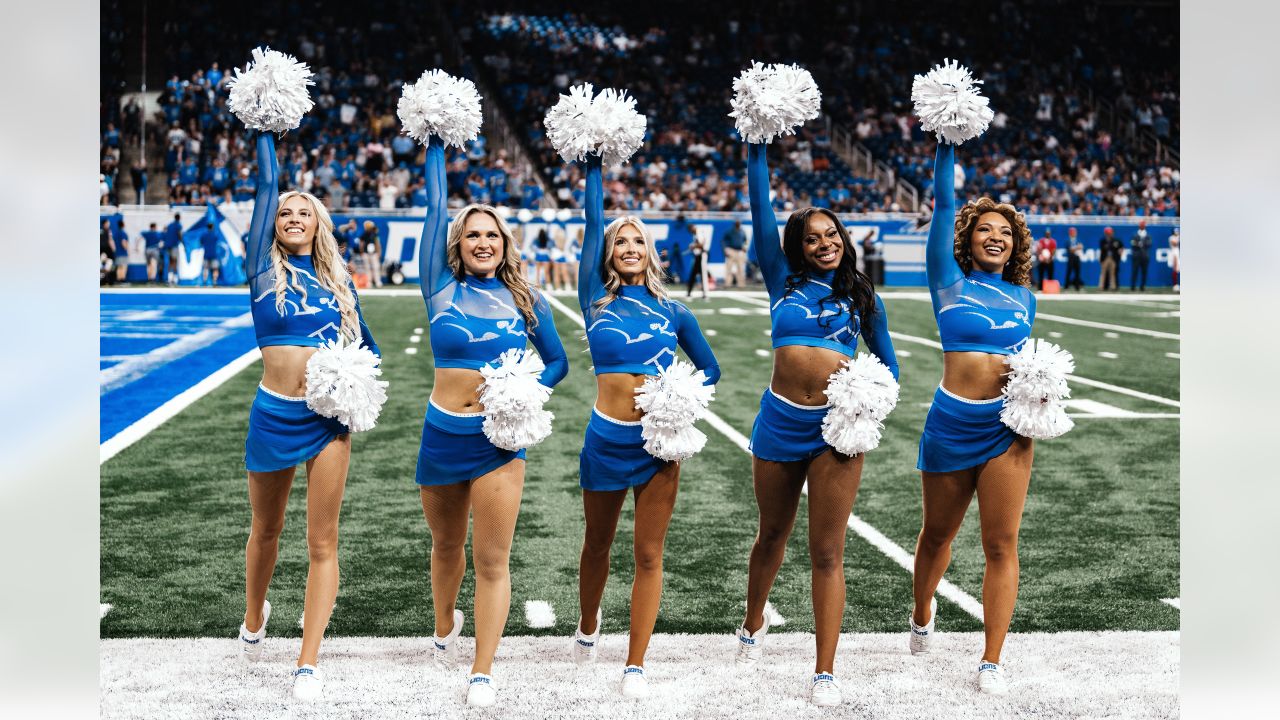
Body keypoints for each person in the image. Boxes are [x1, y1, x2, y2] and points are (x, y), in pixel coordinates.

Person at [735, 142, 899, 707]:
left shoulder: (863, 295)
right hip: (780, 422)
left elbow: (889, 366)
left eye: (833, 235)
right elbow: (760, 208)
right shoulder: (781, 279)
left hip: (837, 430)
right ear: (797, 248)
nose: (825, 244)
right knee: (771, 536)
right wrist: (757, 147)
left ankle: (824, 669)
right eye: (813, 238)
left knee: (827, 550)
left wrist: (868, 398)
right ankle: (754, 620)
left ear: (844, 241)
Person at [416, 136, 568, 708]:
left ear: (506, 245)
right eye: (473, 234)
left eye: (492, 235)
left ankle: (482, 669)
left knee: (491, 558)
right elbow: (435, 212)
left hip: (497, 438)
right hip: (441, 433)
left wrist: (524, 389)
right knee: (446, 544)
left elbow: (558, 362)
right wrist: (435, 144)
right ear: (460, 244)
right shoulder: (440, 289)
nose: (483, 241)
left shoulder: (527, 299)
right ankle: (442, 623)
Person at [237, 132, 381, 702]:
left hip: (326, 420)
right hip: (273, 414)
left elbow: (369, 351)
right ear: (274, 224)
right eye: (285, 213)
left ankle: (308, 660)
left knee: (322, 540)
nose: (292, 217)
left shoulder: (340, 286)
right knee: (266, 530)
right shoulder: (262, 273)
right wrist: (268, 132)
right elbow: (267, 186)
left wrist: (352, 379)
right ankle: (255, 614)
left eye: (305, 213)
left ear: (320, 226)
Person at [571, 153, 720, 699]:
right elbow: (591, 224)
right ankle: (588, 623)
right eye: (620, 242)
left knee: (649, 553)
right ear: (609, 253)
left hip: (659, 443)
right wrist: (592, 166)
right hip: (605, 438)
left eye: (637, 241)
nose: (628, 249)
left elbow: (711, 369)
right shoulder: (594, 298)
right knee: (597, 544)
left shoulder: (674, 310)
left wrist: (680, 398)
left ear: (650, 251)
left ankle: (636, 661)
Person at [909, 140, 1039, 696]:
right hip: (950, 422)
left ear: (1015, 245)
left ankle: (991, 658)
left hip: (1006, 428)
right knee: (937, 535)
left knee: (1001, 543)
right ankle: (921, 610)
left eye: (1006, 232)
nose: (996, 237)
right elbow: (941, 207)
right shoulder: (949, 282)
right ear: (969, 238)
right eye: (986, 229)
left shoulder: (1025, 297)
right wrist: (947, 143)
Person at [721, 219, 749, 288]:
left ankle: (741, 284)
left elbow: (745, 241)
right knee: (729, 268)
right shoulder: (730, 231)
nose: (738, 224)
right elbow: (723, 240)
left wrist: (745, 247)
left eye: (739, 223)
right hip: (731, 250)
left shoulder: (742, 231)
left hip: (739, 251)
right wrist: (725, 249)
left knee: (740, 268)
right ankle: (727, 283)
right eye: (737, 223)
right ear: (735, 224)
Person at [1098, 226, 1122, 291]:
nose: (1109, 234)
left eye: (1110, 233)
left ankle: (1113, 287)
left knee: (1112, 273)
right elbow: (1102, 249)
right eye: (1107, 233)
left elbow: (1120, 248)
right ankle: (1101, 286)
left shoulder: (1116, 240)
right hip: (1105, 258)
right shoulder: (1103, 240)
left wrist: (1119, 254)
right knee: (1103, 273)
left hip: (1113, 258)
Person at [1129, 220, 1151, 291]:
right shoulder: (1135, 234)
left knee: (1144, 272)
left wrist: (1141, 243)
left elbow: (1149, 244)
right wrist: (1139, 244)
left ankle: (1142, 286)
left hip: (1145, 256)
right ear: (1139, 226)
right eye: (1141, 225)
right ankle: (1133, 286)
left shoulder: (1148, 234)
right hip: (1136, 255)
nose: (1142, 226)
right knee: (1135, 271)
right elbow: (1132, 242)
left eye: (1143, 225)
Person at [685, 228, 706, 298]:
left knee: (702, 276)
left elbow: (701, 245)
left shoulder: (699, 234)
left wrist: (693, 246)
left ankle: (704, 293)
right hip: (697, 257)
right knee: (693, 275)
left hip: (701, 257)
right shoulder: (696, 235)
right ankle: (689, 292)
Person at [164, 213, 184, 286]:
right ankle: (174, 279)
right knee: (175, 261)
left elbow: (166, 232)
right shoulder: (178, 225)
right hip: (174, 245)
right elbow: (180, 234)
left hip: (168, 245)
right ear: (179, 218)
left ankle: (169, 278)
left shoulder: (170, 225)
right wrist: (182, 242)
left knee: (170, 261)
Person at [201, 221, 220, 286]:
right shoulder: (215, 235)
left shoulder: (204, 235)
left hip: (206, 254)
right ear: (213, 227)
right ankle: (214, 281)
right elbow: (218, 242)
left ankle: (205, 281)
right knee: (215, 269)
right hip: (213, 254)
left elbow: (201, 242)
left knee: (205, 268)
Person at [1064, 227, 1084, 291]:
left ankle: (1077, 287)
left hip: (1077, 257)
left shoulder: (1078, 239)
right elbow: (1070, 249)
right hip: (1071, 257)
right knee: (1069, 272)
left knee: (1077, 272)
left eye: (1074, 232)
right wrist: (1077, 247)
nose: (1074, 233)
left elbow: (1081, 246)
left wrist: (1075, 248)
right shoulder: (1068, 240)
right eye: (1073, 232)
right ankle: (1066, 287)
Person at [100, 219, 117, 286]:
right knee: (108, 264)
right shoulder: (108, 231)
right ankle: (106, 279)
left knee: (102, 265)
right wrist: (114, 249)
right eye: (108, 223)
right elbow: (110, 240)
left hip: (101, 250)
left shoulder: (99, 231)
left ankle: (103, 279)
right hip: (106, 250)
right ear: (105, 223)